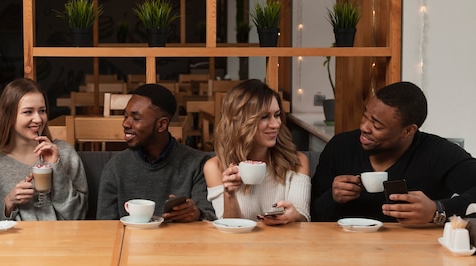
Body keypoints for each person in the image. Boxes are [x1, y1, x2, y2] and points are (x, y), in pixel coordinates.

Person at [311, 81, 476, 224]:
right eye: (365, 116)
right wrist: (332, 198)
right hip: (343, 250)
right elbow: (312, 214)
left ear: (408, 131)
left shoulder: (437, 153)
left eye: (377, 125)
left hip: (415, 252)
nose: (364, 127)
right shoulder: (341, 147)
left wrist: (437, 210)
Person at [96, 84, 216, 222]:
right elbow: (105, 226)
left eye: (136, 118)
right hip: (130, 242)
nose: (125, 124)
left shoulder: (198, 164)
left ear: (161, 125)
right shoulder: (115, 167)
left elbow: (211, 218)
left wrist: (197, 214)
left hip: (182, 242)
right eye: (125, 116)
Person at [203, 79, 311, 225]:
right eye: (265, 117)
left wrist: (294, 216)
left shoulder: (297, 161)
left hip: (285, 244)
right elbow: (230, 229)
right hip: (241, 247)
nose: (275, 124)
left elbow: (304, 218)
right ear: (241, 122)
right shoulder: (215, 167)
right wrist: (230, 195)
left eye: (277, 115)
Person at [0, 78, 88, 220]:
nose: (38, 119)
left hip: (63, 240)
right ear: (8, 116)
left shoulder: (65, 153)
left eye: (42, 111)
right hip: (15, 241)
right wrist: (8, 203)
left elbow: (79, 215)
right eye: (28, 112)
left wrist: (56, 168)